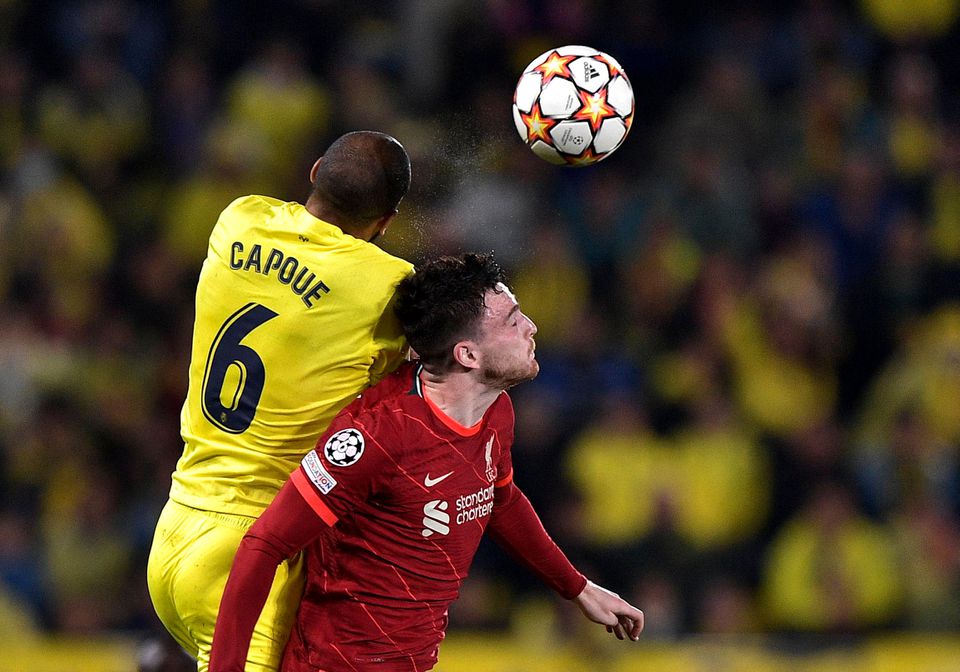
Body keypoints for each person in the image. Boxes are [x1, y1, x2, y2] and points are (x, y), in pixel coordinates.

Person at [208, 253, 645, 672]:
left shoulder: (496, 411)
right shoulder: (377, 436)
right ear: (467, 355)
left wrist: (578, 588)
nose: (531, 327)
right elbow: (264, 545)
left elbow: (500, 500)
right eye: (513, 321)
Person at [147, 130, 415, 672]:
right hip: (252, 553)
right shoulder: (385, 285)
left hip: (174, 528)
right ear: (386, 222)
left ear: (315, 171)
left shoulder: (238, 218)